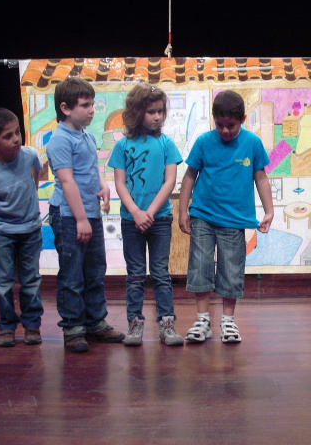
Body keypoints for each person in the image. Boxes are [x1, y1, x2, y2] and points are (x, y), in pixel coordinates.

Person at [179, 90, 274, 343]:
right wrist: (182, 211)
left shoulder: (252, 143)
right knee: (200, 265)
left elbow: (261, 178)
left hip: (234, 219)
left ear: (242, 119)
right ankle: (202, 320)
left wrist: (269, 211)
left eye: (231, 125)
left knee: (231, 269)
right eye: (219, 124)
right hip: (202, 215)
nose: (225, 130)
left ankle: (228, 321)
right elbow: (189, 176)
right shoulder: (204, 141)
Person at [47, 77, 124, 353]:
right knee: (72, 274)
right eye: (85, 105)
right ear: (66, 108)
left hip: (89, 214)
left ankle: (95, 322)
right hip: (70, 217)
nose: (92, 110)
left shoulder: (88, 136)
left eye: (92, 104)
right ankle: (73, 327)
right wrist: (80, 219)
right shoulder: (60, 139)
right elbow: (67, 181)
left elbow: (91, 169)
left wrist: (103, 185)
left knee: (95, 271)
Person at [109, 83, 184, 347]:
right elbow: (120, 184)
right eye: (151, 112)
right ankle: (135, 324)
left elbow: (170, 181)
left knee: (161, 273)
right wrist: (136, 212)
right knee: (135, 274)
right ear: (136, 112)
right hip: (132, 221)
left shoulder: (166, 144)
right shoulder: (122, 146)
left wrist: (149, 212)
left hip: (159, 219)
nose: (157, 117)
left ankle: (167, 323)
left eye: (160, 111)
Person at [0, 107, 44, 348]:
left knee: (31, 279)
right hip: (2, 232)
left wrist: (32, 198)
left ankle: (32, 324)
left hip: (31, 230)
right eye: (8, 136)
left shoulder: (29, 154)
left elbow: (36, 173)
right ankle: (7, 326)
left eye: (17, 132)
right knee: (3, 281)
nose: (16, 139)